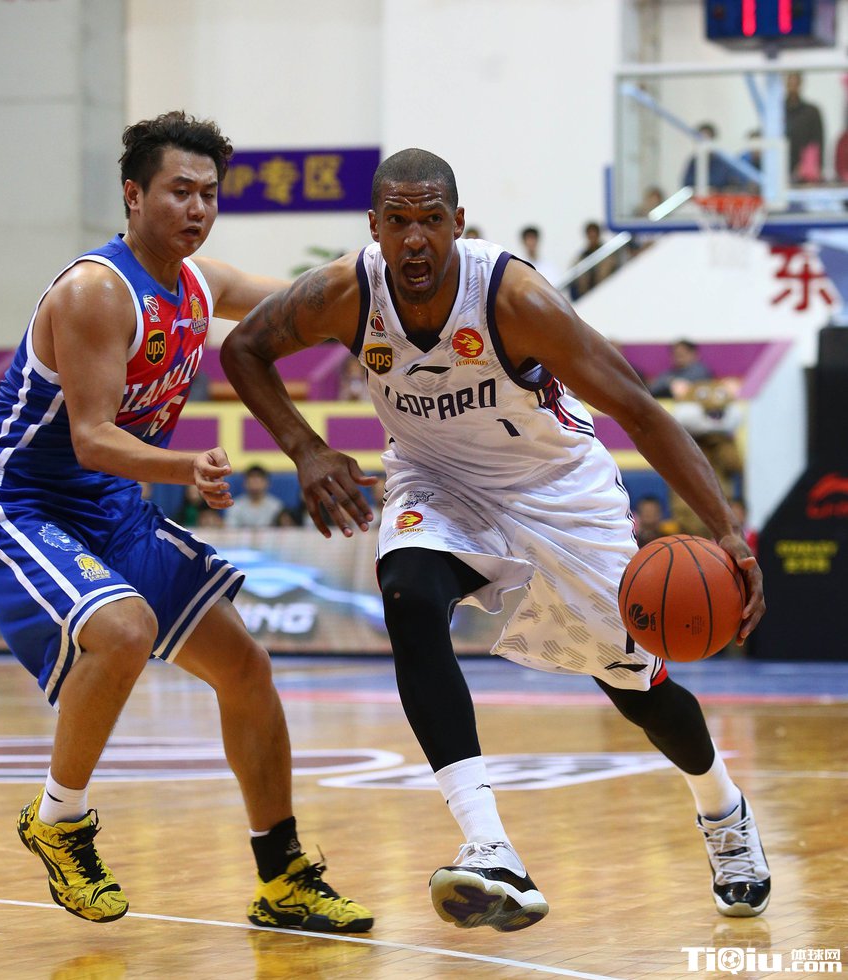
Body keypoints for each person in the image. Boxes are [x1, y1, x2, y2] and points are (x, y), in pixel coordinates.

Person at [220, 147, 770, 932]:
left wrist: (727, 534)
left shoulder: (514, 298)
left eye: (430, 220)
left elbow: (639, 411)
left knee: (634, 689)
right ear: (373, 226)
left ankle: (721, 809)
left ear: (458, 223)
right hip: (435, 481)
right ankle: (490, 847)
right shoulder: (347, 292)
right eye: (398, 221)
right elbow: (242, 349)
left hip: (556, 491)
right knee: (407, 594)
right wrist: (304, 448)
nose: (415, 239)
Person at [0, 111, 371, 933]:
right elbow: (92, 437)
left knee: (245, 666)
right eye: (180, 191)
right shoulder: (96, 291)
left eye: (209, 194)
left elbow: (305, 301)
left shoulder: (200, 283)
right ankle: (59, 819)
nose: (197, 207)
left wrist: (385, 276)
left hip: (109, 505)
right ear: (133, 194)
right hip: (23, 498)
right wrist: (186, 468)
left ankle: (282, 878)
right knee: (123, 630)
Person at [681, 123, 751, 192]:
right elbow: (686, 184)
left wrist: (719, 190)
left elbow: (736, 182)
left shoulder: (723, 161)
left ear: (713, 140)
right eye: (700, 140)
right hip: (697, 197)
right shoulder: (694, 161)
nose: (703, 143)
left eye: (706, 139)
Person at [784, 72, 824, 184]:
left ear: (800, 83)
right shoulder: (777, 111)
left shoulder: (811, 112)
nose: (792, 85)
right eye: (790, 81)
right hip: (781, 168)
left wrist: (809, 166)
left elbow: (817, 142)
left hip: (806, 171)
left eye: (795, 81)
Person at [224, 463, 286, 529]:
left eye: (258, 480)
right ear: (245, 483)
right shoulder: (235, 506)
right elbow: (229, 529)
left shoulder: (277, 507)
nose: (255, 483)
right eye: (252, 479)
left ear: (267, 483)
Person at [648, 339, 715, 398]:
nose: (679, 357)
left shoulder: (700, 370)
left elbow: (693, 386)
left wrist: (676, 383)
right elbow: (653, 388)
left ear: (694, 354)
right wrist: (671, 382)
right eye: (676, 353)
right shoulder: (669, 372)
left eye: (682, 354)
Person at [568, 221, 616, 300]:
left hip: (603, 291)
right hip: (585, 293)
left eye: (594, 235)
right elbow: (574, 270)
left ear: (598, 235)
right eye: (590, 236)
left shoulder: (607, 253)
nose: (592, 238)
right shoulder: (582, 255)